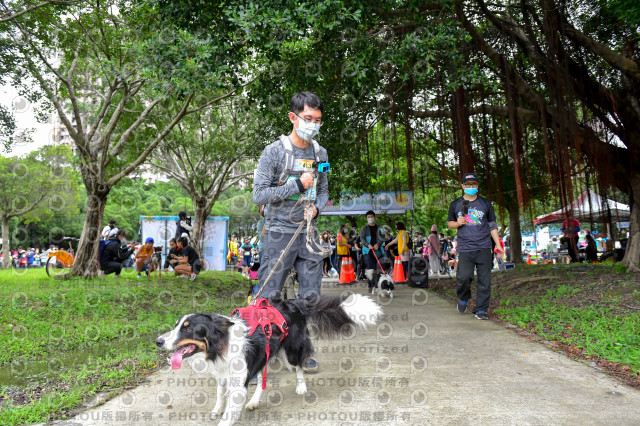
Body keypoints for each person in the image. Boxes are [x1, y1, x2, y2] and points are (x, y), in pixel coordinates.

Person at [253, 91, 329, 373]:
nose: (313, 124)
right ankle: (260, 353)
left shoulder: (321, 153)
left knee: (310, 299)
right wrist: (297, 185)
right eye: (308, 119)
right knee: (269, 295)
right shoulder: (274, 152)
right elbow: (259, 195)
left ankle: (301, 351)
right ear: (293, 118)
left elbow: (323, 191)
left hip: (308, 234)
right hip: (277, 233)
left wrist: (317, 210)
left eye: (318, 120)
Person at [448, 172, 505, 320]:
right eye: (468, 185)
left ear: (477, 186)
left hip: (484, 247)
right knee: (464, 277)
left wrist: (498, 245)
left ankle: (481, 309)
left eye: (473, 184)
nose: (471, 187)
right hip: (466, 248)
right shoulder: (455, 204)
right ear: (462, 186)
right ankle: (463, 297)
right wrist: (458, 223)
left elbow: (492, 225)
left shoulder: (486, 204)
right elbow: (450, 224)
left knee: (484, 280)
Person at [360, 210, 385, 293]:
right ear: (366, 219)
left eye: (371, 216)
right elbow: (362, 239)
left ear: (375, 217)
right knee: (370, 268)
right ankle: (370, 286)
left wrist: (378, 244)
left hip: (378, 250)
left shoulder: (380, 227)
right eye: (368, 217)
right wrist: (368, 245)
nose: (370, 218)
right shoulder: (364, 228)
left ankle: (378, 285)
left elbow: (382, 237)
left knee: (378, 269)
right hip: (368, 251)